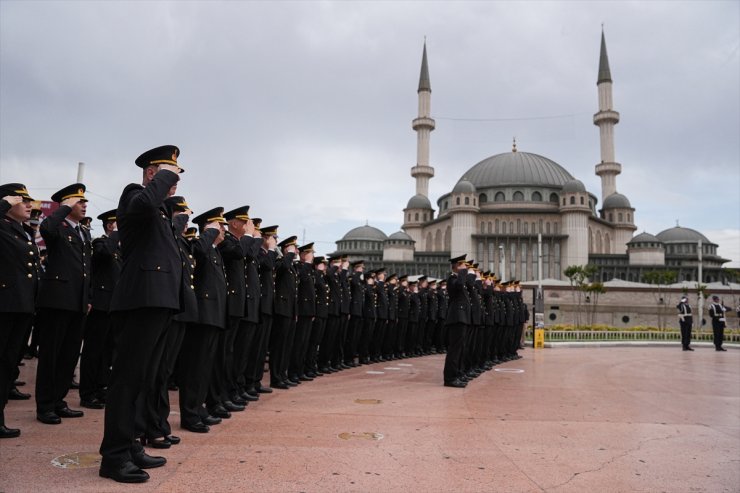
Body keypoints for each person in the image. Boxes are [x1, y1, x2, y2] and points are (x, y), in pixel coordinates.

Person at [99, 145, 184, 483]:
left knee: (144, 378)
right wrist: (164, 175)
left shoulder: (159, 210)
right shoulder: (135, 196)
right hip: (140, 300)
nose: (175, 180)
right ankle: (114, 457)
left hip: (158, 300)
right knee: (126, 379)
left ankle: (131, 444)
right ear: (152, 172)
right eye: (169, 172)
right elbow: (144, 202)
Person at [35, 183, 91, 425]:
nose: (84, 204)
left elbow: (87, 269)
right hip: (57, 300)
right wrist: (62, 208)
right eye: (79, 201)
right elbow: (46, 227)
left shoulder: (83, 231)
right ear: (67, 204)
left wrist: (88, 298)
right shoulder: (57, 226)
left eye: (84, 201)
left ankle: (59, 400)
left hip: (78, 301)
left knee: (68, 355)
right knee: (52, 354)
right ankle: (45, 405)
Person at [0, 184, 38, 438]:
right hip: (4, 305)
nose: (28, 205)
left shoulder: (22, 231)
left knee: (7, 364)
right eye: (21, 200)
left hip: (21, 306)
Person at [443, 255, 470, 388]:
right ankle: (450, 378)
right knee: (454, 349)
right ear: (456, 266)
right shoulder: (452, 279)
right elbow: (459, 286)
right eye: (462, 265)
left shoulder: (458, 279)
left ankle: (457, 374)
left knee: (459, 348)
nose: (464, 268)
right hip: (456, 317)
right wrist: (463, 272)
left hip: (461, 317)